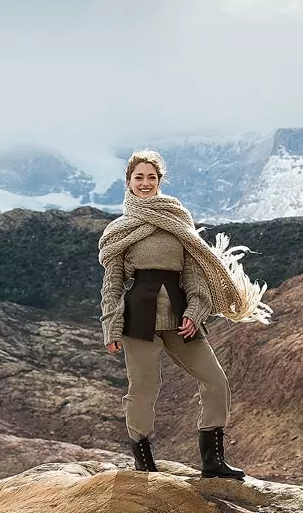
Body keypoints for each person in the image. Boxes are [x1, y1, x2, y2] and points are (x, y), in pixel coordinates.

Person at [98, 149, 271, 478]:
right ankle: (144, 462)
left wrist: (196, 311)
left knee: (215, 381)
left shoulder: (178, 219)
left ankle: (213, 461)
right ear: (128, 182)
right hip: (139, 318)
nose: (145, 183)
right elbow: (113, 283)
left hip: (180, 317)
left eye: (152, 177)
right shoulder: (119, 229)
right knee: (144, 389)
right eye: (139, 178)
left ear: (160, 181)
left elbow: (193, 275)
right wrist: (111, 327)